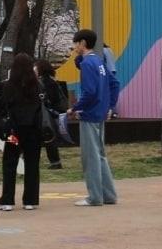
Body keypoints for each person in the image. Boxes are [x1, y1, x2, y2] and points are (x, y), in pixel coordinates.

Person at [68, 28, 120, 207]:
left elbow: (89, 92)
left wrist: (75, 108)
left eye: (75, 43)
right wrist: (110, 106)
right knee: (100, 155)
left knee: (90, 156)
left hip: (89, 114)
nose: (74, 47)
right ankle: (109, 194)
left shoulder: (87, 64)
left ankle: (95, 197)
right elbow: (114, 83)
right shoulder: (99, 61)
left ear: (82, 43)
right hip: (100, 112)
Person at [0, 53, 44, 211]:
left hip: (13, 133)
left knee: (10, 162)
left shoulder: (8, 86)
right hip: (33, 133)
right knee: (32, 164)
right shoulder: (37, 86)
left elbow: (1, 107)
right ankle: (30, 201)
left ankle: (7, 200)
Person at [35, 59, 68, 170]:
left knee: (45, 138)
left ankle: (53, 162)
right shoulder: (52, 81)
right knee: (50, 138)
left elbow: (46, 99)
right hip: (54, 113)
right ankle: (55, 162)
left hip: (46, 114)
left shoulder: (42, 82)